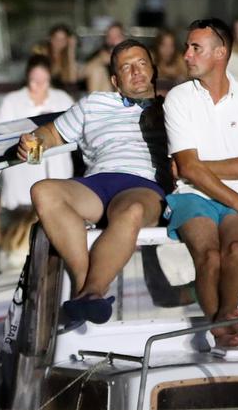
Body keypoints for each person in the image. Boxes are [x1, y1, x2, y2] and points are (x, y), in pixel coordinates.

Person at [23, 39, 170, 326]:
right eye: (126, 67)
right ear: (115, 80)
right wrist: (34, 140)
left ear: (153, 70)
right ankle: (84, 289)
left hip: (143, 186)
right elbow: (52, 134)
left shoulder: (172, 108)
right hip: (97, 183)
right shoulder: (94, 104)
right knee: (44, 190)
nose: (136, 71)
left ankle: (93, 290)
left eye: (141, 64)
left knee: (131, 212)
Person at [163, 17, 238, 345]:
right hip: (192, 196)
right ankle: (221, 327)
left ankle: (226, 319)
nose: (187, 55)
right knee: (209, 255)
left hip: (233, 190)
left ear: (220, 53)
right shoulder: (178, 98)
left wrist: (195, 167)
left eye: (195, 48)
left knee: (237, 249)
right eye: (187, 47)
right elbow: (188, 171)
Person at [0, 55, 74, 210]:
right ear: (27, 78)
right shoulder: (12, 101)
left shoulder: (62, 99)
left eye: (43, 81)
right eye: (34, 81)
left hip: (59, 179)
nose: (38, 86)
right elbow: (0, 136)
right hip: (22, 187)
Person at [31, 22, 82, 96]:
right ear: (50, 39)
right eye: (56, 38)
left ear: (67, 41)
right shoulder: (42, 52)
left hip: (62, 93)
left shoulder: (66, 55)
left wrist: (71, 49)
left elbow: (71, 80)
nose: (59, 42)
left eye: (63, 39)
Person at [83, 22, 129, 93]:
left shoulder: (132, 53)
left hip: (127, 92)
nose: (112, 40)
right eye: (109, 37)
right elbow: (85, 72)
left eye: (117, 37)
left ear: (124, 38)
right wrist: (100, 60)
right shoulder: (100, 53)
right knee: (97, 70)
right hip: (107, 92)